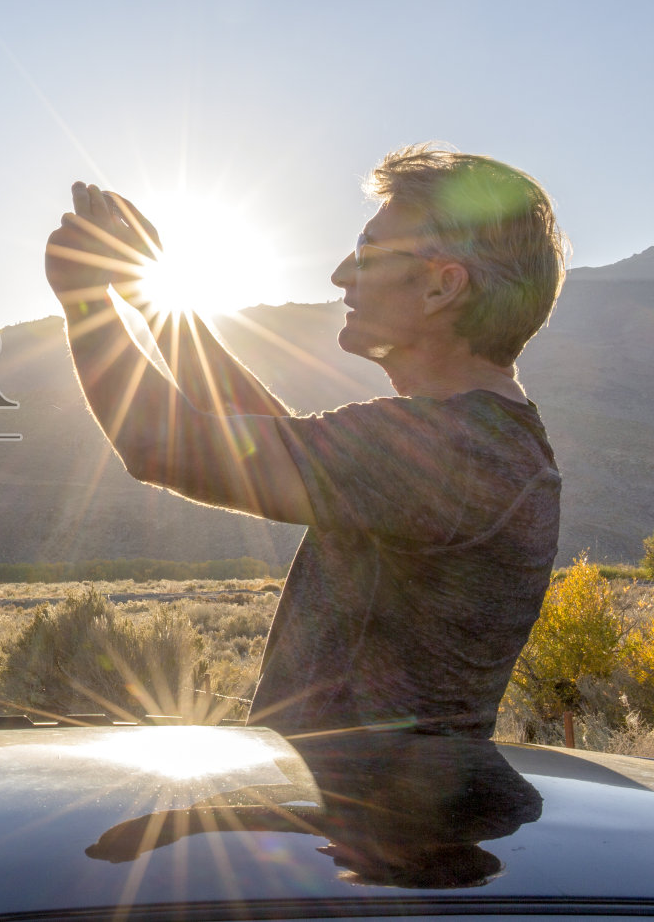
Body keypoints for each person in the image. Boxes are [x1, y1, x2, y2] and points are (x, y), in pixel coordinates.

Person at [43, 144, 567, 738]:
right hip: (388, 813)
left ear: (442, 287)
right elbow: (260, 438)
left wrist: (85, 301)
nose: (342, 274)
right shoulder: (485, 440)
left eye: (368, 252)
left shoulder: (454, 449)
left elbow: (161, 447)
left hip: (365, 820)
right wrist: (150, 297)